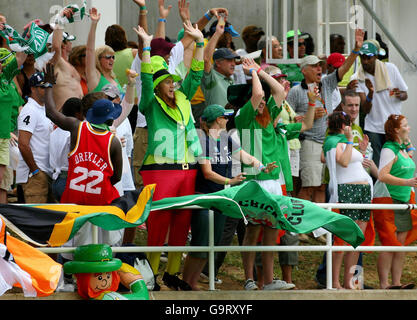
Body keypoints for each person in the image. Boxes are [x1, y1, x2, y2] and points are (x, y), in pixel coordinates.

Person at [233, 57, 315, 291]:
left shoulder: (270, 119)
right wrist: (254, 74)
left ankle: (268, 280)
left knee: (271, 229)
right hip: (255, 180)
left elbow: (277, 90)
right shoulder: (243, 118)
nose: (261, 103)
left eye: (263, 101)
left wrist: (258, 69)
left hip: (274, 181)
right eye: (257, 100)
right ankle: (249, 279)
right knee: (253, 230)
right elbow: (258, 95)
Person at [134, 21, 205, 290]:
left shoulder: (184, 97)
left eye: (174, 81)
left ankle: (172, 273)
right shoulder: (151, 103)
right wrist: (146, 47)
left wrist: (199, 43)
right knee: (159, 222)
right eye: (168, 81)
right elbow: (145, 78)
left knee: (181, 222)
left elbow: (196, 75)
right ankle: (151, 273)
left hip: (187, 170)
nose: (174, 84)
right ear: (158, 85)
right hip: (160, 170)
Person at [182, 104, 277, 290]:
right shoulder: (203, 141)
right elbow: (207, 172)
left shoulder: (225, 139)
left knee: (213, 244)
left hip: (219, 198)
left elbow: (245, 156)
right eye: (225, 117)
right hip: (204, 198)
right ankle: (187, 283)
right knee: (200, 243)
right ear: (218, 120)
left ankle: (191, 283)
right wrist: (230, 181)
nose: (227, 120)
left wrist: (262, 167)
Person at [286, 28, 364, 205]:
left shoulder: (327, 83)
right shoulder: (296, 91)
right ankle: (300, 227)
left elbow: (344, 68)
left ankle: (318, 231)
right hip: (310, 142)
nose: (319, 68)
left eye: (320, 65)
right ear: (304, 70)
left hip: (329, 142)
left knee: (322, 186)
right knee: (308, 187)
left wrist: (356, 50)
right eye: (314, 66)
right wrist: (308, 116)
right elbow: (288, 119)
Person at [322, 111, 373, 289]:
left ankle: (350, 281)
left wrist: (363, 150)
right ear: (344, 126)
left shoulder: (342, 142)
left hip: (363, 191)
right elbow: (342, 162)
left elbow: (353, 161)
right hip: (348, 190)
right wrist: (350, 140)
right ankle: (335, 281)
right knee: (343, 239)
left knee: (356, 239)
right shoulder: (334, 142)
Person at [350, 39, 408, 167]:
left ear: (376, 56)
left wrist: (400, 94)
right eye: (362, 57)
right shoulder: (356, 78)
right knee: (376, 165)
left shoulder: (390, 68)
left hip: (393, 126)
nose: (365, 61)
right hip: (373, 128)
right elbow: (365, 109)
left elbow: (405, 95)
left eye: (369, 57)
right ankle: (377, 187)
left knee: (396, 164)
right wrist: (370, 94)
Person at [376, 114, 416, 289]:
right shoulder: (389, 149)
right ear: (396, 130)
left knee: (401, 244)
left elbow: (411, 151)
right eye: (405, 126)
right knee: (390, 242)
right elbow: (382, 175)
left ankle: (397, 282)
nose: (409, 128)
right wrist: (407, 182)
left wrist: (407, 141)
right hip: (389, 199)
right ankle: (385, 284)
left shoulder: (401, 149)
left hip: (404, 201)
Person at [16, 72, 54, 204]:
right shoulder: (30, 110)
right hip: (34, 176)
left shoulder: (43, 109)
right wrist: (35, 171)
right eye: (43, 87)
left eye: (49, 87)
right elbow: (23, 144)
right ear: (33, 88)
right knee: (33, 221)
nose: (47, 90)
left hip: (45, 173)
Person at [0, 47, 26, 204]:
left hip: (4, 137)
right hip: (4, 135)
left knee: (2, 183)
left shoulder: (5, 80)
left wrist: (18, 41)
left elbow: (20, 58)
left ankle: (2, 224)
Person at [49, 97, 84, 202]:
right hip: (69, 180)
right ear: (78, 113)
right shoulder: (74, 132)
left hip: (56, 180)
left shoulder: (54, 132)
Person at [48, 8, 83, 111]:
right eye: (67, 42)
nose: (70, 44)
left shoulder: (68, 64)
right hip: (62, 116)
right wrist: (60, 19)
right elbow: (56, 47)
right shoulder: (54, 62)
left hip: (77, 115)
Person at [201, 20, 239, 110]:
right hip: (216, 122)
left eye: (234, 61)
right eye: (229, 60)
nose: (233, 64)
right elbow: (206, 59)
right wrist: (218, 33)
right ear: (218, 63)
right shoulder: (211, 77)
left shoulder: (230, 80)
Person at [86, 7, 123, 94]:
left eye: (113, 57)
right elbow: (89, 51)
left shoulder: (113, 78)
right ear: (98, 59)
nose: (112, 60)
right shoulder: (95, 76)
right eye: (108, 57)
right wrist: (94, 24)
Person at [105, 24, 138, 89]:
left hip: (115, 95)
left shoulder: (105, 58)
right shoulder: (134, 53)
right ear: (124, 37)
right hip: (134, 94)